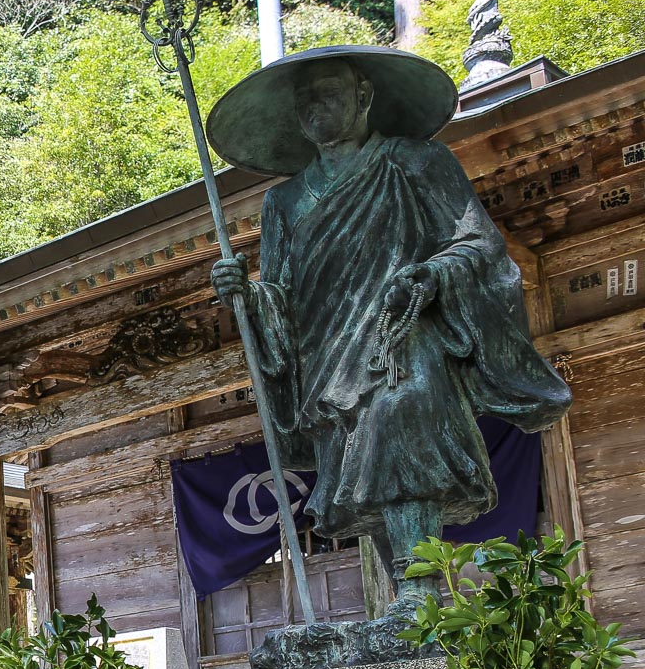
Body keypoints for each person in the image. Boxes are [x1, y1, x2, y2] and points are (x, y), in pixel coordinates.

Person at [204, 47, 571, 593]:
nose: (314, 108)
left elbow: (477, 244)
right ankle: (407, 595)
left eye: (328, 93)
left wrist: (433, 275)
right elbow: (280, 293)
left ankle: (420, 589)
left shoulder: (416, 161)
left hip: (402, 336)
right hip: (327, 351)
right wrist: (248, 297)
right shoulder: (283, 202)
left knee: (404, 444)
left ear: (363, 95)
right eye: (304, 100)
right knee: (359, 476)